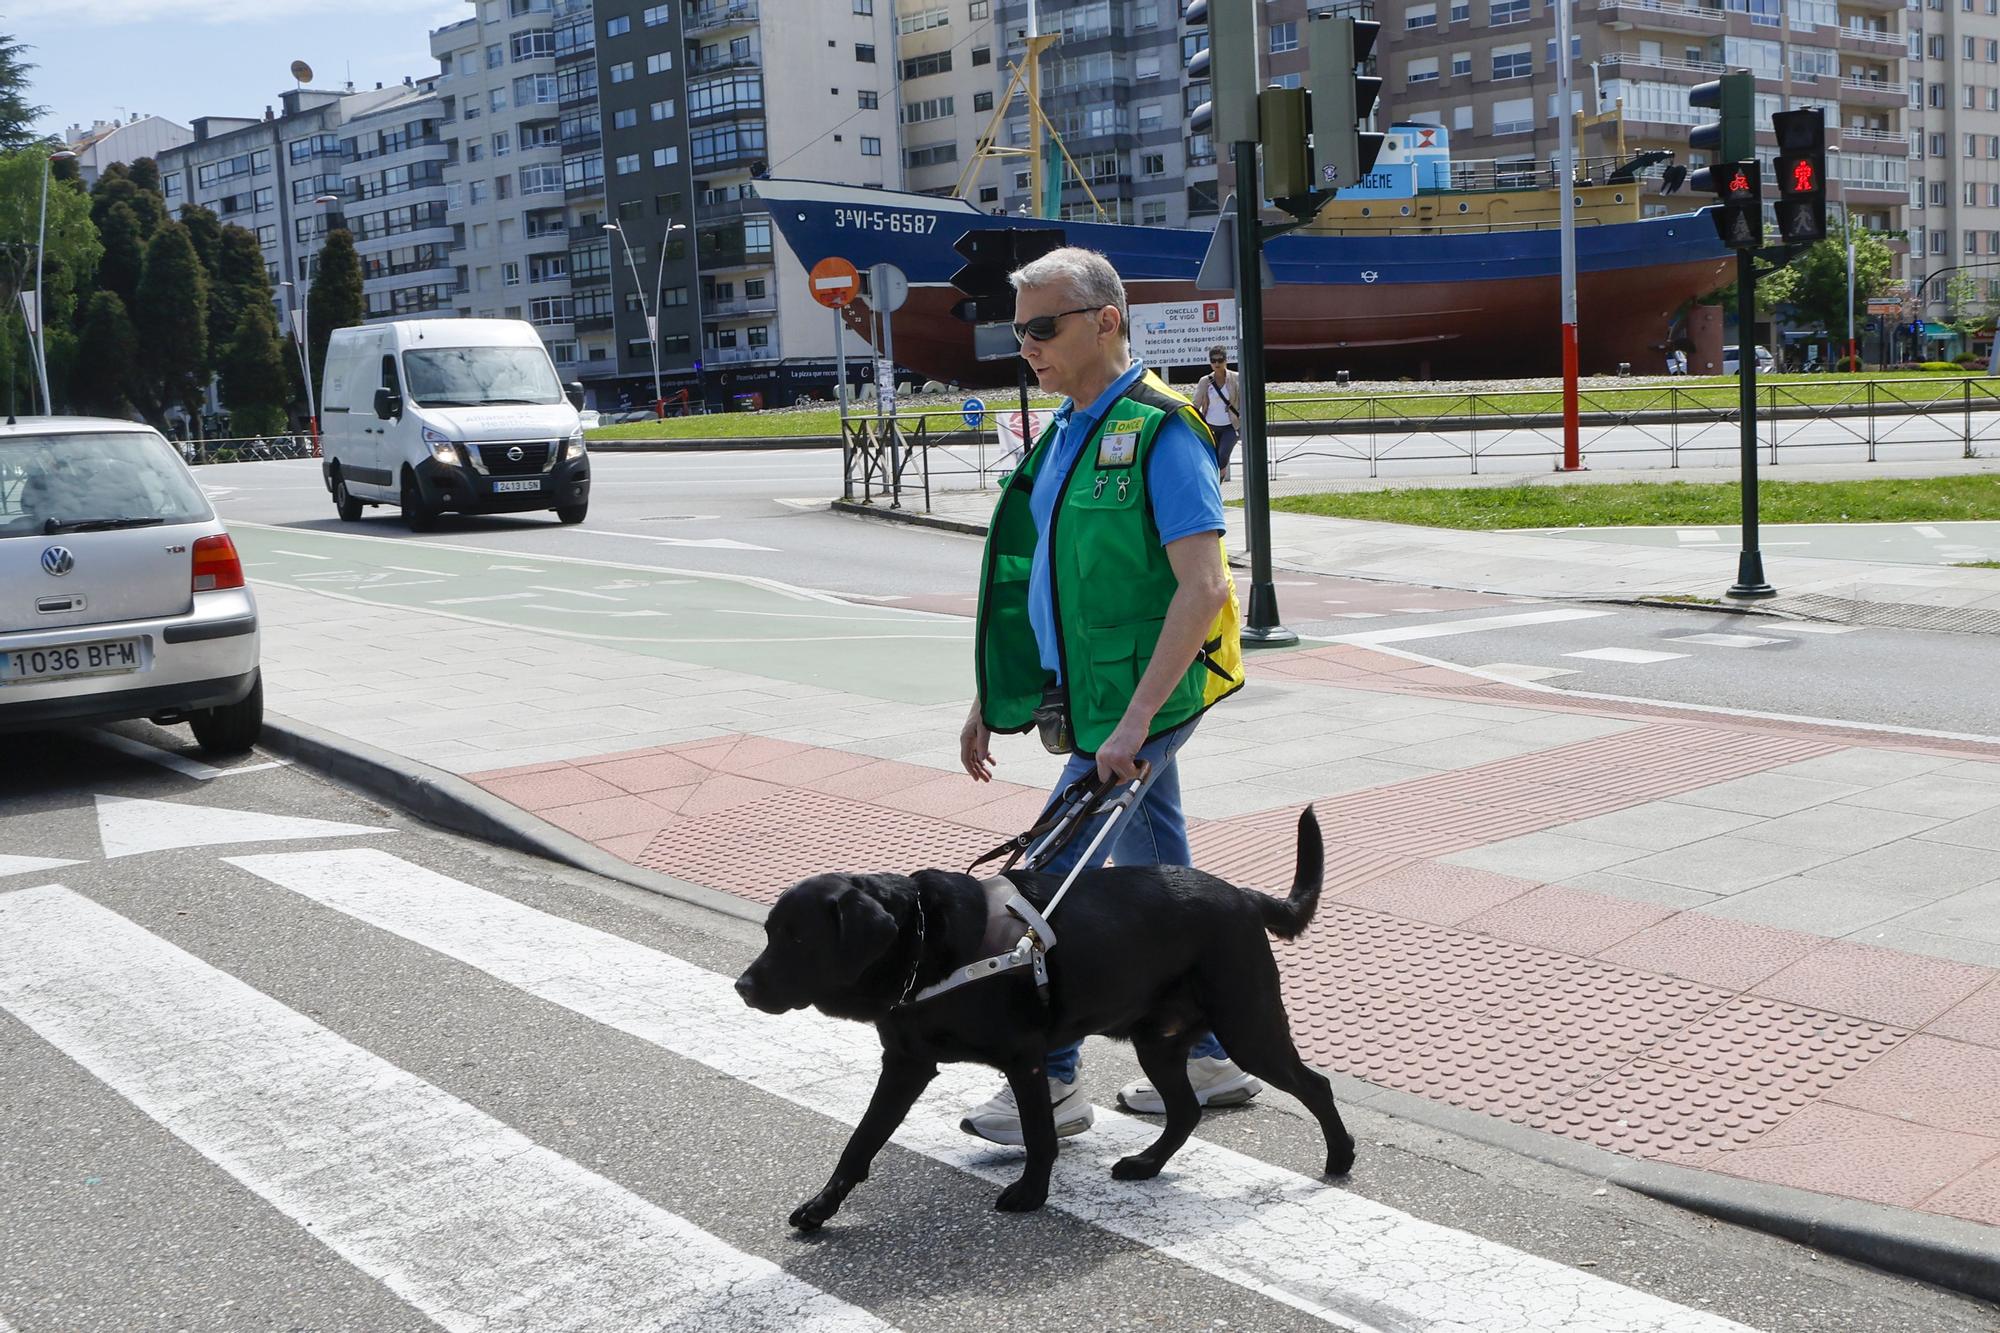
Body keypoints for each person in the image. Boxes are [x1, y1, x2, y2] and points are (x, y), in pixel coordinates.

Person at [958, 246, 1258, 1147]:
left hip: (1147, 702)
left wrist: (1134, 724)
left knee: (1046, 888)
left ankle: (1048, 1081)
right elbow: (1043, 580)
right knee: (1165, 882)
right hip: (1096, 703)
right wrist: (993, 693)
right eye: (1019, 332)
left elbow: (1202, 588)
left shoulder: (1164, 431)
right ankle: (1207, 1055)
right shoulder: (1065, 430)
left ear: (1107, 321)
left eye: (1044, 328)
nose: (1028, 347)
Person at [1190, 346, 1242, 480]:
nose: (1217, 364)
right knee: (1210, 458)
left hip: (1231, 426)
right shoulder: (1205, 381)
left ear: (1226, 360)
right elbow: (1196, 404)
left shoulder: (1236, 378)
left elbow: (1244, 400)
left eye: (1220, 360)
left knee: (1222, 456)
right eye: (1213, 361)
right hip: (1210, 426)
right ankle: (1216, 483)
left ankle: (1219, 480)